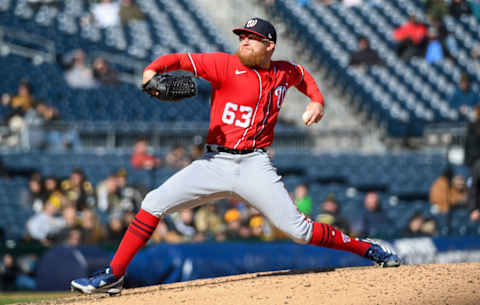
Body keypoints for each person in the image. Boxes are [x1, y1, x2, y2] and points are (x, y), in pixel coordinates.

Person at [71, 17, 399, 295]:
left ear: (269, 46)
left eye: (252, 39)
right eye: (242, 36)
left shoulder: (284, 71)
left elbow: (303, 76)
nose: (244, 42)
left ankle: (367, 248)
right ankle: (113, 276)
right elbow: (180, 60)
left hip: (255, 163)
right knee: (153, 202)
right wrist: (150, 71)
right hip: (215, 163)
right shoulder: (224, 65)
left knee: (300, 231)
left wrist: (317, 101)